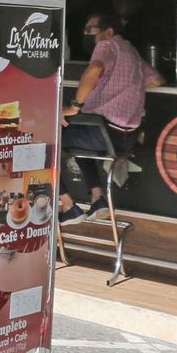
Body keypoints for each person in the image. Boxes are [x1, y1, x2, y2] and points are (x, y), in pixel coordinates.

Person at [59, 13, 164, 221]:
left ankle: (67, 203)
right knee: (74, 138)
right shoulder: (130, 51)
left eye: (90, 30)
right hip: (124, 138)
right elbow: (158, 80)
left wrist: (74, 106)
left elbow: (95, 68)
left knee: (42, 140)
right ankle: (98, 199)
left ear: (108, 32)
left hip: (100, 131)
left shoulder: (106, 45)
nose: (86, 35)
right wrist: (128, 86)